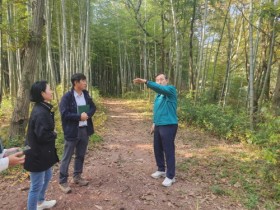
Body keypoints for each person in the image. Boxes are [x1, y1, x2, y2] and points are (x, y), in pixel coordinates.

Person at [133, 73, 178, 187]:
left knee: (168, 150)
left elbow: (159, 88)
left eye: (161, 79)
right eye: (157, 80)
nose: (159, 81)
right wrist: (154, 123)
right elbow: (158, 110)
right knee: (157, 148)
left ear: (166, 81)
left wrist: (146, 82)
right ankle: (161, 169)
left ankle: (170, 176)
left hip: (169, 125)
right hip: (159, 124)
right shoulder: (158, 96)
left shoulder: (170, 90)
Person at [59, 73, 96, 194]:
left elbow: (93, 107)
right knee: (67, 156)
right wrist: (79, 116)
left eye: (85, 81)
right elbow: (64, 114)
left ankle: (77, 176)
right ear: (76, 82)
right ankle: (63, 181)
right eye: (83, 81)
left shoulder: (85, 94)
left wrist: (88, 115)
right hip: (72, 130)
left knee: (80, 154)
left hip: (84, 129)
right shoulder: (67, 97)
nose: (85, 83)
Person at [24, 81, 59, 210]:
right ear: (42, 93)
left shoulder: (43, 107)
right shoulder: (40, 112)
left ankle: (41, 201)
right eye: (49, 89)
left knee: (48, 175)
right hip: (36, 154)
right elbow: (42, 135)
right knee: (36, 186)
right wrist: (54, 134)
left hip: (43, 152)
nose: (51, 91)